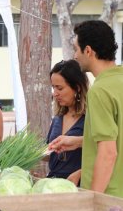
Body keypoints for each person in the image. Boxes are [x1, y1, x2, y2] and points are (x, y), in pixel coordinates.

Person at [50, 20, 123, 198]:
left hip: (109, 198)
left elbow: (108, 152)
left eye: (76, 49)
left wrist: (93, 201)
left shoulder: (100, 91)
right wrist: (77, 142)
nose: (75, 55)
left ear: (88, 51)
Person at [46, 60, 88, 183]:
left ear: (77, 88)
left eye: (59, 88)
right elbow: (50, 152)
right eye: (53, 87)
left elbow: (105, 150)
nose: (55, 94)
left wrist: (81, 173)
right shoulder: (57, 118)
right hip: (53, 185)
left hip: (79, 186)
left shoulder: (91, 117)